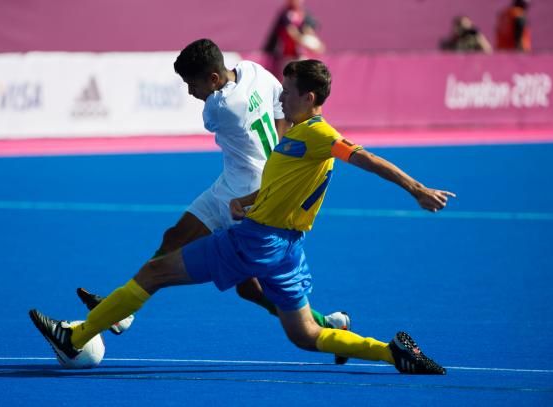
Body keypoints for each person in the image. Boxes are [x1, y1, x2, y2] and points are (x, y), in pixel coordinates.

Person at [30, 58, 455, 374]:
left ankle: (75, 338)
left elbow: (364, 157)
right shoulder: (295, 135)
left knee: (155, 272)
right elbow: (289, 184)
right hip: (286, 250)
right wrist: (250, 200)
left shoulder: (321, 134)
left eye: (288, 93)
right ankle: (393, 352)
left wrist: (416, 189)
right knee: (305, 335)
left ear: (308, 98)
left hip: (256, 242)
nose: (281, 97)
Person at [76, 39, 353, 364]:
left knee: (250, 288)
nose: (191, 93)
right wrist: (279, 146)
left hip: (243, 195)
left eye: (192, 85)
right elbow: (280, 106)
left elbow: (229, 110)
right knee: (176, 238)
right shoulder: (255, 71)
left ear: (213, 79)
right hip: (230, 184)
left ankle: (325, 328)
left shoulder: (219, 109)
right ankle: (124, 315)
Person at [263, 0, 325, 79]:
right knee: (288, 83)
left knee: (304, 82)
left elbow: (309, 31)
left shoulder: (305, 14)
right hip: (288, 58)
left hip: (301, 57)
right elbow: (291, 32)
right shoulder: (285, 14)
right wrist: (304, 42)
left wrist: (316, 44)